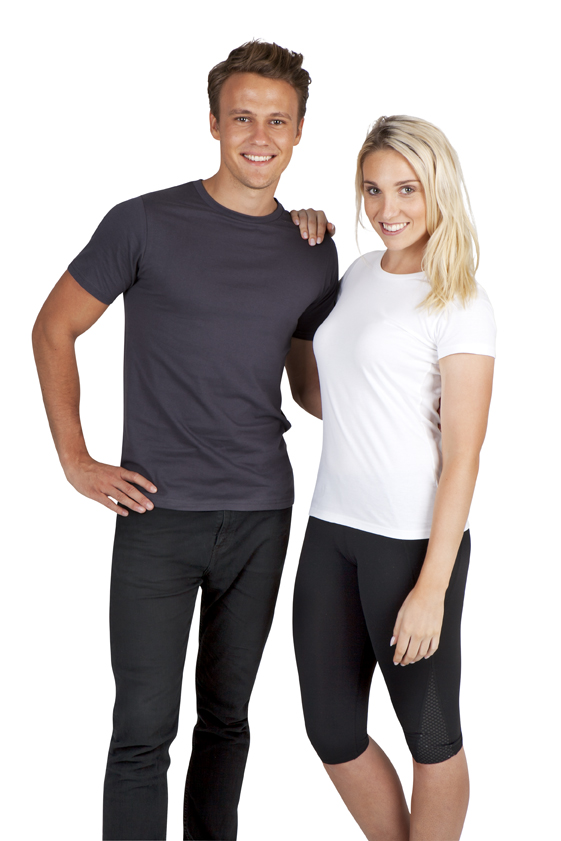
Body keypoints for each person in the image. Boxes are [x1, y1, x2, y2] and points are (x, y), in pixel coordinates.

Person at [32, 40, 337, 841]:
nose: (259, 135)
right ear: (213, 123)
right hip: (157, 515)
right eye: (242, 117)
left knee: (227, 720)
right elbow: (53, 328)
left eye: (277, 120)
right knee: (142, 731)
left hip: (262, 512)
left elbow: (308, 388)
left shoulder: (311, 248)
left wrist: (414, 412)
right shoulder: (142, 222)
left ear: (299, 131)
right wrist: (75, 458)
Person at [291, 115, 496, 841]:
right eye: (373, 189)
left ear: (438, 188)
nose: (387, 208)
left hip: (410, 544)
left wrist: (431, 588)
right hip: (330, 530)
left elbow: (464, 453)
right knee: (330, 728)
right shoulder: (356, 274)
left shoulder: (460, 299)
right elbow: (319, 397)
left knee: (430, 733)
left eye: (407, 188)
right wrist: (298, 268)